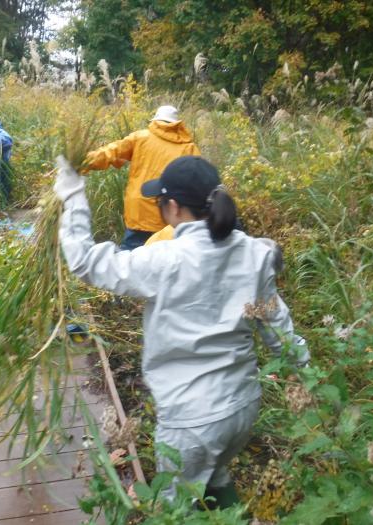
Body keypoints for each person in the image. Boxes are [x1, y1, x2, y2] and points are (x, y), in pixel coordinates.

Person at [53, 154, 309, 507]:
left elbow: (85, 262)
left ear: (172, 207)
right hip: (243, 408)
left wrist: (73, 198)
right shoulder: (254, 253)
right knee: (215, 473)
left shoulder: (165, 259)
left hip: (192, 422)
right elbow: (277, 329)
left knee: (174, 508)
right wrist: (307, 377)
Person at [84, 105, 200, 250]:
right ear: (176, 123)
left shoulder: (140, 137)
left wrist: (82, 162)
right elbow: (198, 185)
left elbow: (110, 153)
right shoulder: (189, 148)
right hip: (169, 218)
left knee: (128, 264)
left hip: (139, 216)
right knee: (163, 265)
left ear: (156, 120)